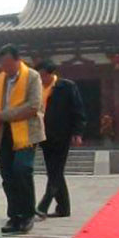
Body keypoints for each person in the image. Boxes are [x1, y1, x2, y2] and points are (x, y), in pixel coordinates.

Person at [0, 44, 45, 234]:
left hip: (27, 132)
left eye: (8, 64)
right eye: (2, 65)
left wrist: (4, 115)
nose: (5, 68)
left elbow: (33, 106)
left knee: (22, 169)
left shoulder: (32, 77)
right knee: (7, 175)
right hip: (3, 133)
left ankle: (27, 214)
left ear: (18, 60)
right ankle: (14, 216)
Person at [34, 60, 86, 218]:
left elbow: (77, 110)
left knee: (55, 171)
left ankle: (44, 204)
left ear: (51, 73)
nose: (41, 78)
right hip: (44, 135)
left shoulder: (66, 86)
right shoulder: (37, 88)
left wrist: (78, 133)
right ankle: (63, 209)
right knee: (53, 171)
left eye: (43, 75)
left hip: (62, 134)